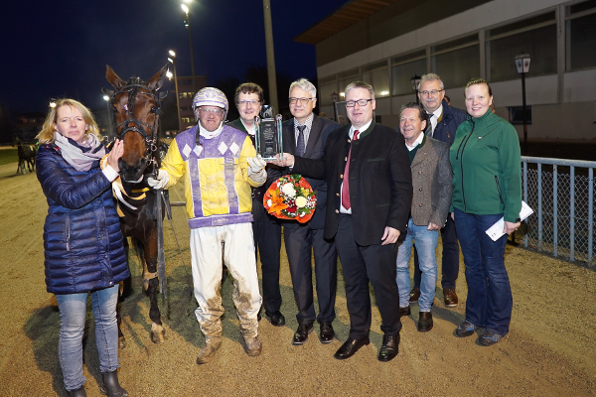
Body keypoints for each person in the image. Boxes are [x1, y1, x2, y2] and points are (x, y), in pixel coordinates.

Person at [273, 81, 412, 362]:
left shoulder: (388, 138)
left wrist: (396, 224)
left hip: (378, 227)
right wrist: (292, 161)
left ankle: (390, 332)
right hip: (344, 225)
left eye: (362, 102)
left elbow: (403, 186)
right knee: (353, 284)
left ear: (373, 104)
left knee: (382, 283)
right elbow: (324, 169)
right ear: (344, 107)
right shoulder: (337, 137)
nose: (356, 107)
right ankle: (359, 332)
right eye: (351, 103)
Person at [147, 87, 267, 363]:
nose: (211, 115)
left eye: (217, 111)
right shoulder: (183, 141)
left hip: (238, 223)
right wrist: (162, 179)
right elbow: (171, 171)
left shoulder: (239, 139)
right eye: (206, 110)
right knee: (205, 285)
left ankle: (250, 331)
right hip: (202, 225)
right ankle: (211, 336)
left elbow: (255, 179)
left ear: (224, 114)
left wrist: (258, 171)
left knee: (247, 281)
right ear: (197, 112)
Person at [35, 99, 129, 397]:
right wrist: (109, 171)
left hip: (106, 248)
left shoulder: (102, 152)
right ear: (54, 126)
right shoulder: (48, 156)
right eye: (65, 119)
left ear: (88, 122)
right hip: (70, 252)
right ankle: (75, 388)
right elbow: (70, 197)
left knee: (107, 319)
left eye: (79, 118)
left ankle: (110, 377)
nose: (73, 123)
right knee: (73, 327)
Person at [450, 78, 522, 346]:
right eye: (470, 98)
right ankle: (474, 317)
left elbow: (511, 174)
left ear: (491, 100)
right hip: (464, 212)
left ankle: (497, 324)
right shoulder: (463, 129)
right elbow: (455, 172)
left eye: (480, 97)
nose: (475, 102)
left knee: (493, 268)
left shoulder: (503, 130)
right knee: (472, 268)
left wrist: (512, 214)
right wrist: (453, 206)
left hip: (492, 213)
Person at [279, 78, 339, 345]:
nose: (297, 104)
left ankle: (326, 320)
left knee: (325, 270)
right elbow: (271, 169)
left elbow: (330, 170)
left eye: (303, 99)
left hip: (323, 211)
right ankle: (305, 320)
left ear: (314, 102)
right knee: (297, 269)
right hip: (290, 213)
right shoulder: (278, 130)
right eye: (293, 99)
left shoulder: (332, 129)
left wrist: (294, 163)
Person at [226, 82, 285, 327]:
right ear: (236, 106)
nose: (249, 106)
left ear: (261, 105)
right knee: (244, 262)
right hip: (241, 206)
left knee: (271, 259)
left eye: (253, 101)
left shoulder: (273, 129)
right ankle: (251, 307)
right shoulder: (227, 131)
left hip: (270, 203)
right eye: (243, 102)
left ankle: (273, 306)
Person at [408, 73, 466, 308]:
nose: (429, 96)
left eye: (434, 92)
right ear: (419, 95)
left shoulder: (460, 119)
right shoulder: (412, 119)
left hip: (448, 193)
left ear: (443, 94)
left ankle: (448, 286)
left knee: (450, 242)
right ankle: (418, 286)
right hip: (421, 194)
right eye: (424, 92)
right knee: (420, 242)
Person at [396, 102, 452, 333]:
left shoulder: (438, 148)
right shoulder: (393, 147)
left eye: (411, 119)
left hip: (426, 219)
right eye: (403, 120)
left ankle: (425, 309)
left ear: (423, 123)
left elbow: (446, 185)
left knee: (428, 268)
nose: (406, 124)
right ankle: (401, 304)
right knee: (399, 266)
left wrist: (439, 216)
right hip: (398, 220)